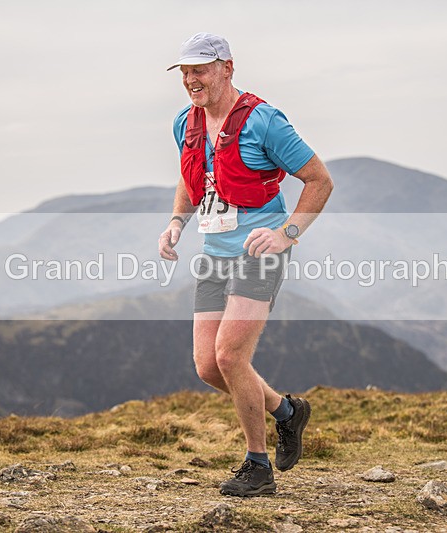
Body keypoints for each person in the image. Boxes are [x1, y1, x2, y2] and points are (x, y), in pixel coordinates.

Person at [158, 32, 333, 497]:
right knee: (208, 366)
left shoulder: (265, 121)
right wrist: (177, 221)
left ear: (227, 68)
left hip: (259, 254)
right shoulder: (185, 123)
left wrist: (285, 234)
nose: (192, 80)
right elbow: (190, 176)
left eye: (202, 69)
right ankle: (287, 413)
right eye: (186, 72)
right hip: (214, 255)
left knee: (231, 356)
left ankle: (257, 467)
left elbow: (318, 180)